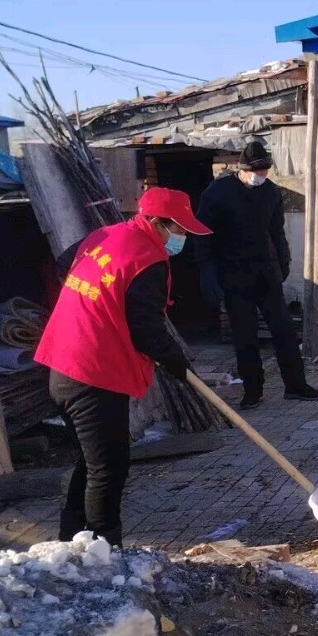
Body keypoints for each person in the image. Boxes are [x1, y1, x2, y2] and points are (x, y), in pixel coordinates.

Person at [34, 187, 212, 548]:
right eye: (178, 229)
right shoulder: (148, 259)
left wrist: (93, 308)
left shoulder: (105, 235)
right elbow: (148, 330)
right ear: (156, 222)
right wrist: (179, 366)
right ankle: (105, 549)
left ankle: (71, 542)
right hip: (94, 372)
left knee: (92, 461)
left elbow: (62, 265)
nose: (182, 237)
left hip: (63, 362)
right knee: (109, 467)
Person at [195, 139, 318, 410]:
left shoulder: (270, 192)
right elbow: (202, 236)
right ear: (242, 169)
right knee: (245, 335)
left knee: (284, 330)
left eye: (265, 170)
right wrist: (207, 272)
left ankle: (296, 385)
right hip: (233, 274)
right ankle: (252, 390)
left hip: (266, 272)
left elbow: (277, 231)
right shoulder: (217, 193)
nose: (261, 175)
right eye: (256, 170)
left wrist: (284, 261)